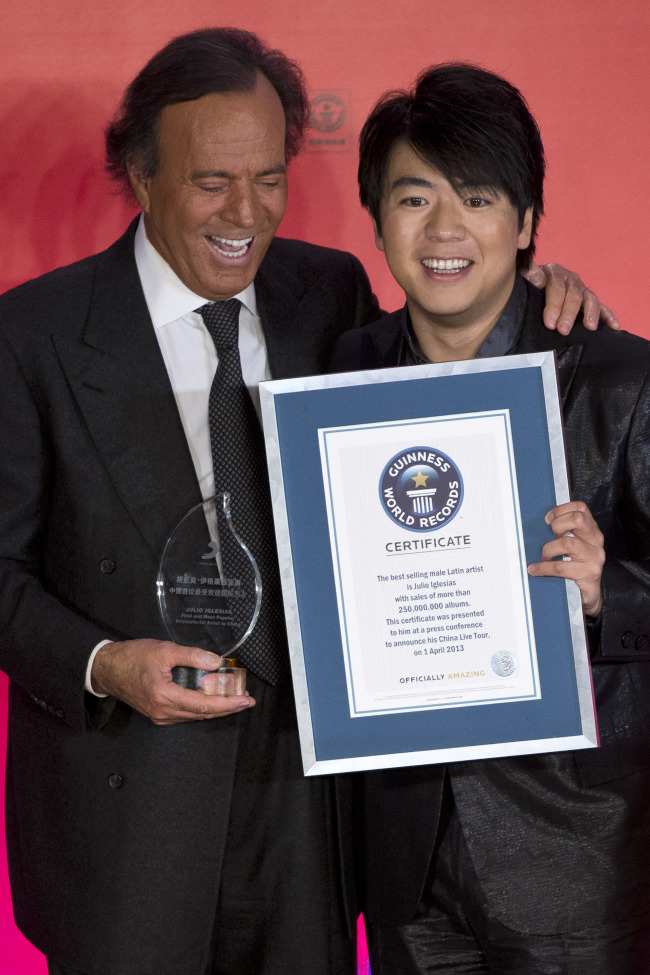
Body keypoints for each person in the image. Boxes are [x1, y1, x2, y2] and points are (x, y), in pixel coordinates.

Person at [0, 29, 612, 975]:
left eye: (269, 179)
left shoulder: (324, 292)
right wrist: (104, 663)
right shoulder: (30, 334)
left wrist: (541, 289)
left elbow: (435, 377)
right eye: (210, 181)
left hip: (307, 798)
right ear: (141, 173)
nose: (246, 212)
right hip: (130, 801)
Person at [330, 63, 650, 974]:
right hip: (405, 865)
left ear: (526, 222)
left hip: (576, 861)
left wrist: (605, 591)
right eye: (413, 198)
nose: (444, 232)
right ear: (378, 220)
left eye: (476, 198)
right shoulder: (344, 372)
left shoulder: (622, 380)